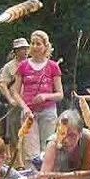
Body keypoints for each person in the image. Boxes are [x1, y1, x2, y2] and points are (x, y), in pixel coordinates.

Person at [12, 30, 63, 164]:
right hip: (29, 113)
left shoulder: (53, 66)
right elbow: (15, 92)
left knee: (48, 148)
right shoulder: (23, 66)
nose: (34, 47)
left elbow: (60, 94)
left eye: (38, 44)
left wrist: (45, 96)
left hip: (48, 112)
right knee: (31, 152)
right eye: (32, 43)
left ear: (45, 47)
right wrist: (25, 108)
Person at [0, 37, 30, 163]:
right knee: (16, 132)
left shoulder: (32, 63)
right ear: (16, 51)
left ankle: (29, 161)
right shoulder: (8, 67)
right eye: (22, 49)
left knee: (30, 134)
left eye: (26, 48)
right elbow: (2, 84)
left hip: (31, 104)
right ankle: (19, 162)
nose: (25, 51)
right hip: (15, 105)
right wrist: (10, 99)